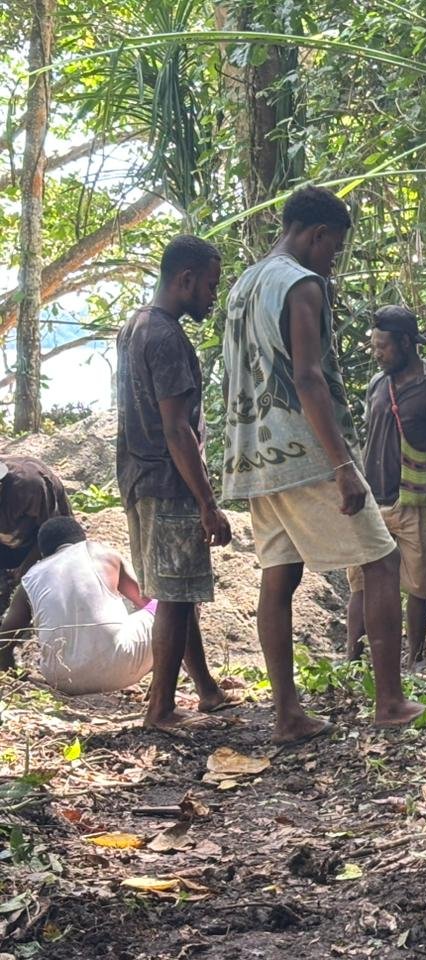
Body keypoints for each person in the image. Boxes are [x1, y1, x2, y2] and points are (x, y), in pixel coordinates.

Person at [222, 185, 426, 743]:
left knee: (279, 575)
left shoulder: (244, 285)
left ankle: (287, 715)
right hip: (304, 451)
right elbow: (308, 376)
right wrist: (342, 464)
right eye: (333, 247)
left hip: (254, 456)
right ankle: (390, 701)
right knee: (382, 560)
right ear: (316, 235)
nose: (333, 259)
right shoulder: (301, 284)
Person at [117, 234, 235, 732]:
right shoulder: (166, 337)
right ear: (185, 279)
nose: (212, 296)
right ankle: (161, 709)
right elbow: (177, 428)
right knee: (177, 595)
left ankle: (205, 690)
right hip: (169, 481)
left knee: (176, 590)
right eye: (210, 285)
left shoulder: (136, 325)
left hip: (139, 476)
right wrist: (207, 502)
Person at [346, 305, 426, 667]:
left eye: (383, 347)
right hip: (372, 499)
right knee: (360, 581)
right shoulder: (377, 384)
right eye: (375, 346)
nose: (377, 354)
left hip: (416, 500)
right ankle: (352, 658)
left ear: (406, 344)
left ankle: (415, 659)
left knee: (418, 583)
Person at [0, 517, 158, 695]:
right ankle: (163, 685)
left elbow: (6, 635)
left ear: (44, 553)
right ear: (82, 539)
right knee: (165, 606)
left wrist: (9, 674)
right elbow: (144, 600)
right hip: (121, 668)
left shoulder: (30, 579)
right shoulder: (98, 551)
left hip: (61, 679)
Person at [0, 455, 71, 617]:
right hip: (10, 536)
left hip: (40, 534)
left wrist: (24, 568)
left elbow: (50, 534)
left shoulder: (29, 488)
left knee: (47, 575)